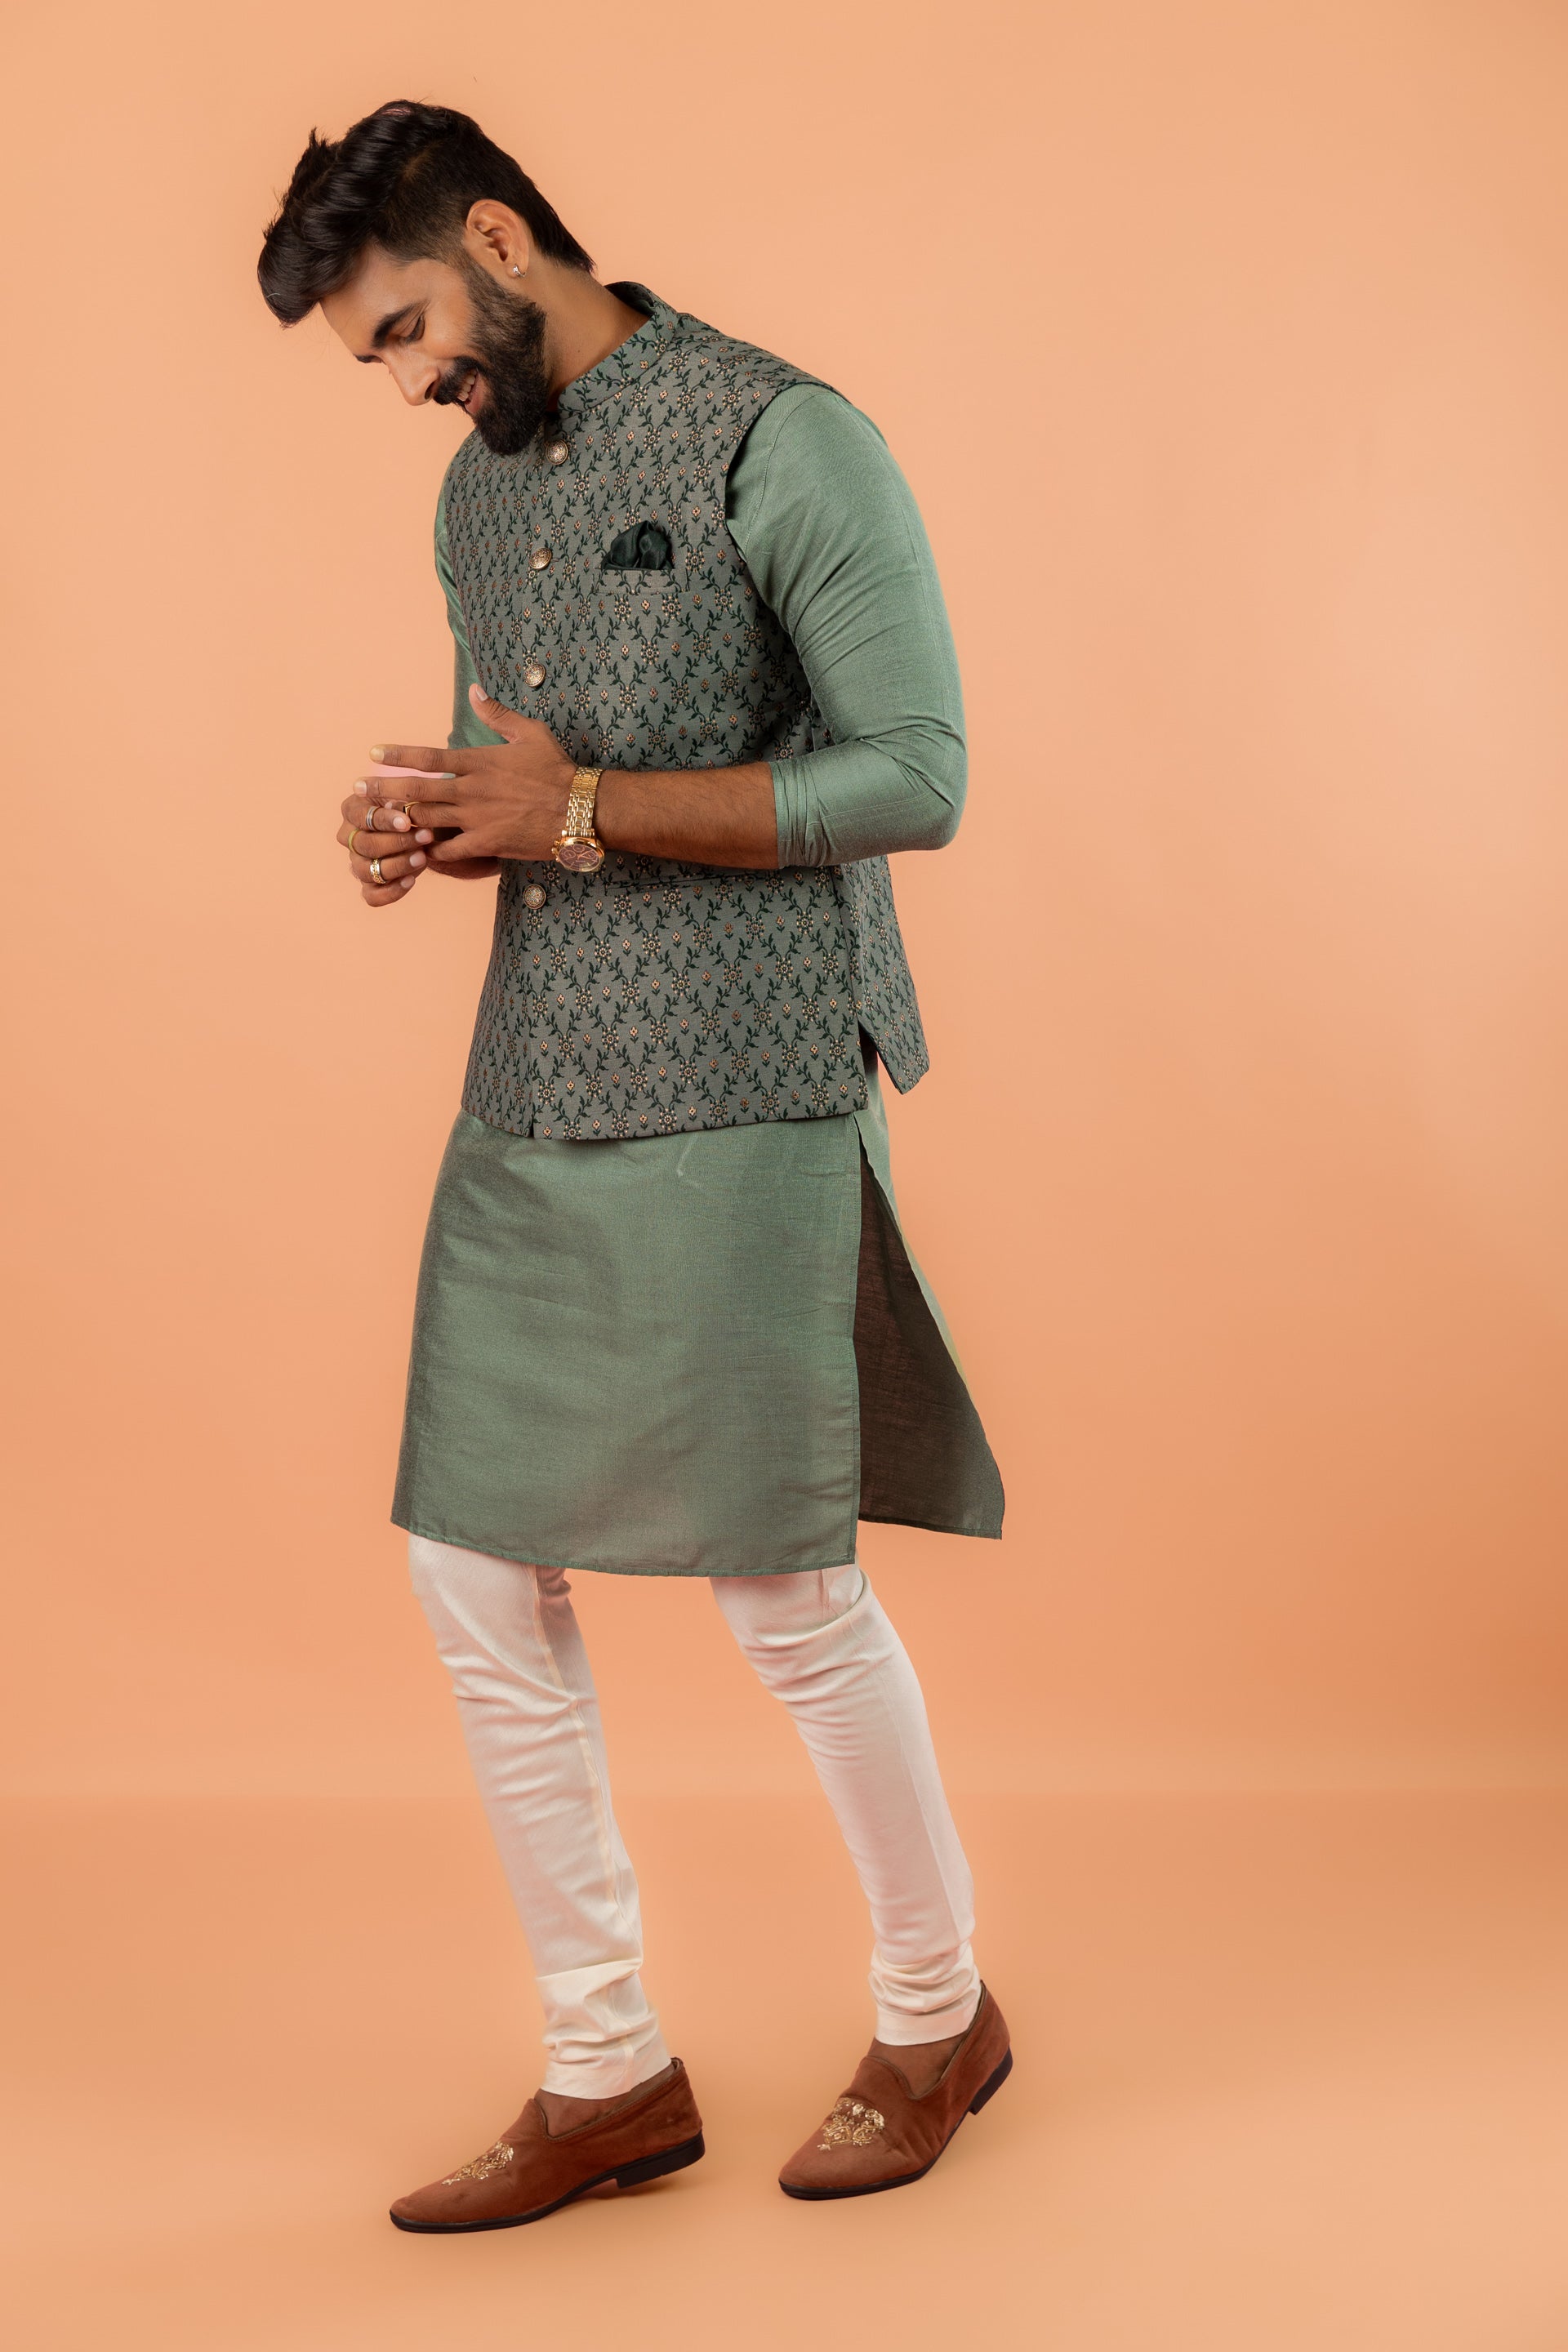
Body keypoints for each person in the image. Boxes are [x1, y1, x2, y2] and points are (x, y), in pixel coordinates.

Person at [257, 99, 1010, 2233]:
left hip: (753, 1063)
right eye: (376, 358)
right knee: (472, 1569)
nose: (409, 382)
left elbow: (916, 773)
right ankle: (606, 2068)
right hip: (541, 1071)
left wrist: (576, 814)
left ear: (502, 238)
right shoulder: (476, 491)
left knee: (781, 1585)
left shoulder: (789, 438)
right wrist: (433, 821)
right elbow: (530, 765)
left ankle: (939, 2011)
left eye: (409, 330)